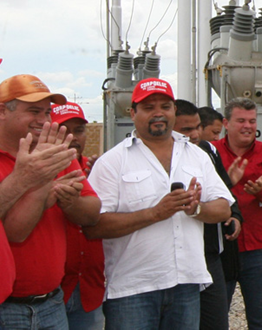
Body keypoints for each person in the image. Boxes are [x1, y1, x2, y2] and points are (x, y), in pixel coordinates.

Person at [85, 78, 234, 330]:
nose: (158, 113)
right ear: (132, 113)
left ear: (174, 110)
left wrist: (196, 209)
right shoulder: (112, 162)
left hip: (186, 284)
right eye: (148, 107)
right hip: (132, 291)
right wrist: (155, 213)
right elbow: (95, 226)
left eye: (165, 106)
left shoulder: (197, 156)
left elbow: (223, 208)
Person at [0, 74, 100, 330]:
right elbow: (15, 233)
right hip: (6, 307)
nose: (43, 120)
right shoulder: (50, 156)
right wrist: (40, 184)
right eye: (34, 111)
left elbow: (92, 213)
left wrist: (69, 202)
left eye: (47, 112)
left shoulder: (55, 152)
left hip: (52, 303)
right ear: (2, 111)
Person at [213, 99, 262, 330]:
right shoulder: (211, 152)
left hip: (259, 248)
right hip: (220, 248)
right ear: (226, 123)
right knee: (214, 320)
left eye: (252, 121)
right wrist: (228, 181)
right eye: (241, 120)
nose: (248, 126)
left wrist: (261, 191)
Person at [173, 99, 242, 330]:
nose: (194, 134)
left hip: (210, 256)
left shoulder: (207, 152)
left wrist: (235, 216)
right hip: (173, 259)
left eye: (197, 128)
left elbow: (225, 194)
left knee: (215, 322)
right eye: (186, 129)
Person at [51, 102, 106, 330]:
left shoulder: (99, 170)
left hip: (89, 289)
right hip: (53, 291)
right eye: (64, 130)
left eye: (79, 130)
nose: (73, 137)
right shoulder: (37, 170)